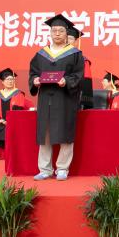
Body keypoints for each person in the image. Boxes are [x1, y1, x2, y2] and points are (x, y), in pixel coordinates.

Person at [29, 14, 85, 181]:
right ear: (50, 33)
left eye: (61, 30)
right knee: (45, 132)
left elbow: (78, 76)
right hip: (46, 98)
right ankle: (45, 169)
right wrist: (35, 80)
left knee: (65, 131)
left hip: (65, 98)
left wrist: (66, 81)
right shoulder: (41, 54)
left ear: (66, 33)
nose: (57, 33)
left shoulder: (75, 54)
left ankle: (62, 168)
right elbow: (33, 73)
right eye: (54, 31)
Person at [0, 68, 27, 161]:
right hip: (0, 121)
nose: (10, 81)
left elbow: (18, 109)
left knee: (11, 130)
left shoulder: (19, 94)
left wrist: (9, 121)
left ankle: (13, 155)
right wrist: (0, 120)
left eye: (12, 79)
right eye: (8, 79)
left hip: (14, 122)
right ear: (2, 82)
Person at [67, 25, 94, 110]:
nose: (67, 41)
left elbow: (87, 82)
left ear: (76, 42)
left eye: (70, 38)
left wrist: (85, 103)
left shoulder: (83, 60)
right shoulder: (56, 58)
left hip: (75, 99)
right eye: (65, 38)